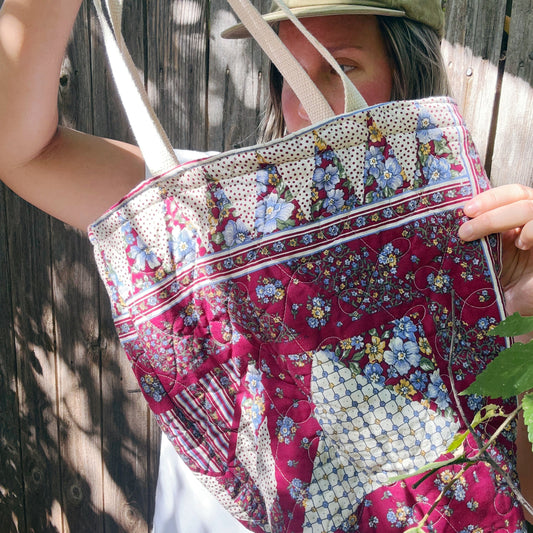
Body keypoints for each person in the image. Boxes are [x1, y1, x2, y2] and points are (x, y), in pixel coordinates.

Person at [0, 0, 532, 531]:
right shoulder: (202, 207)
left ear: (405, 69)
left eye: (339, 66)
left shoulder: (482, 250)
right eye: (286, 67)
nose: (303, 96)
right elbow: (22, 151)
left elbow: (509, 495)